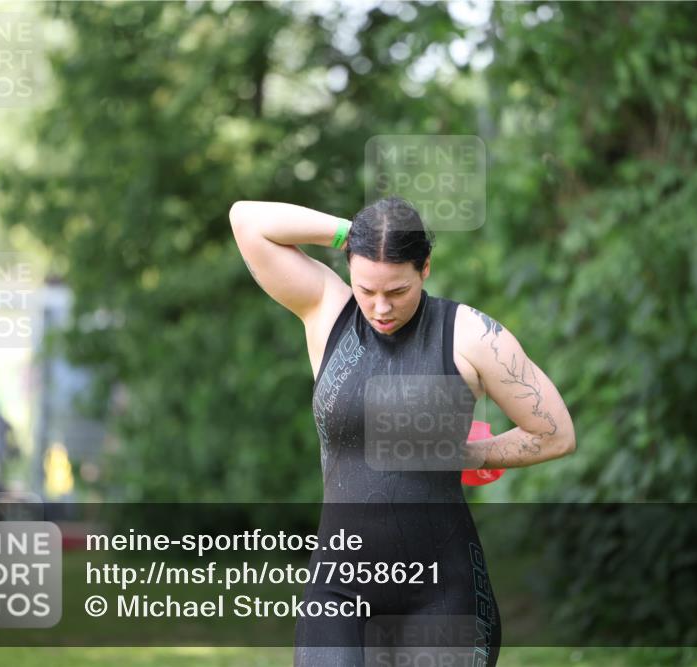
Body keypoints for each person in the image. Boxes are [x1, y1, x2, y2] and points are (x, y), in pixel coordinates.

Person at [230, 196, 576, 666]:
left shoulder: (468, 335)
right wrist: (353, 234)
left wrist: (471, 454)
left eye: (397, 291)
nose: (380, 307)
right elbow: (246, 221)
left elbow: (555, 433)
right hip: (337, 591)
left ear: (425, 268)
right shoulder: (328, 312)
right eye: (366, 288)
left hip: (443, 596)